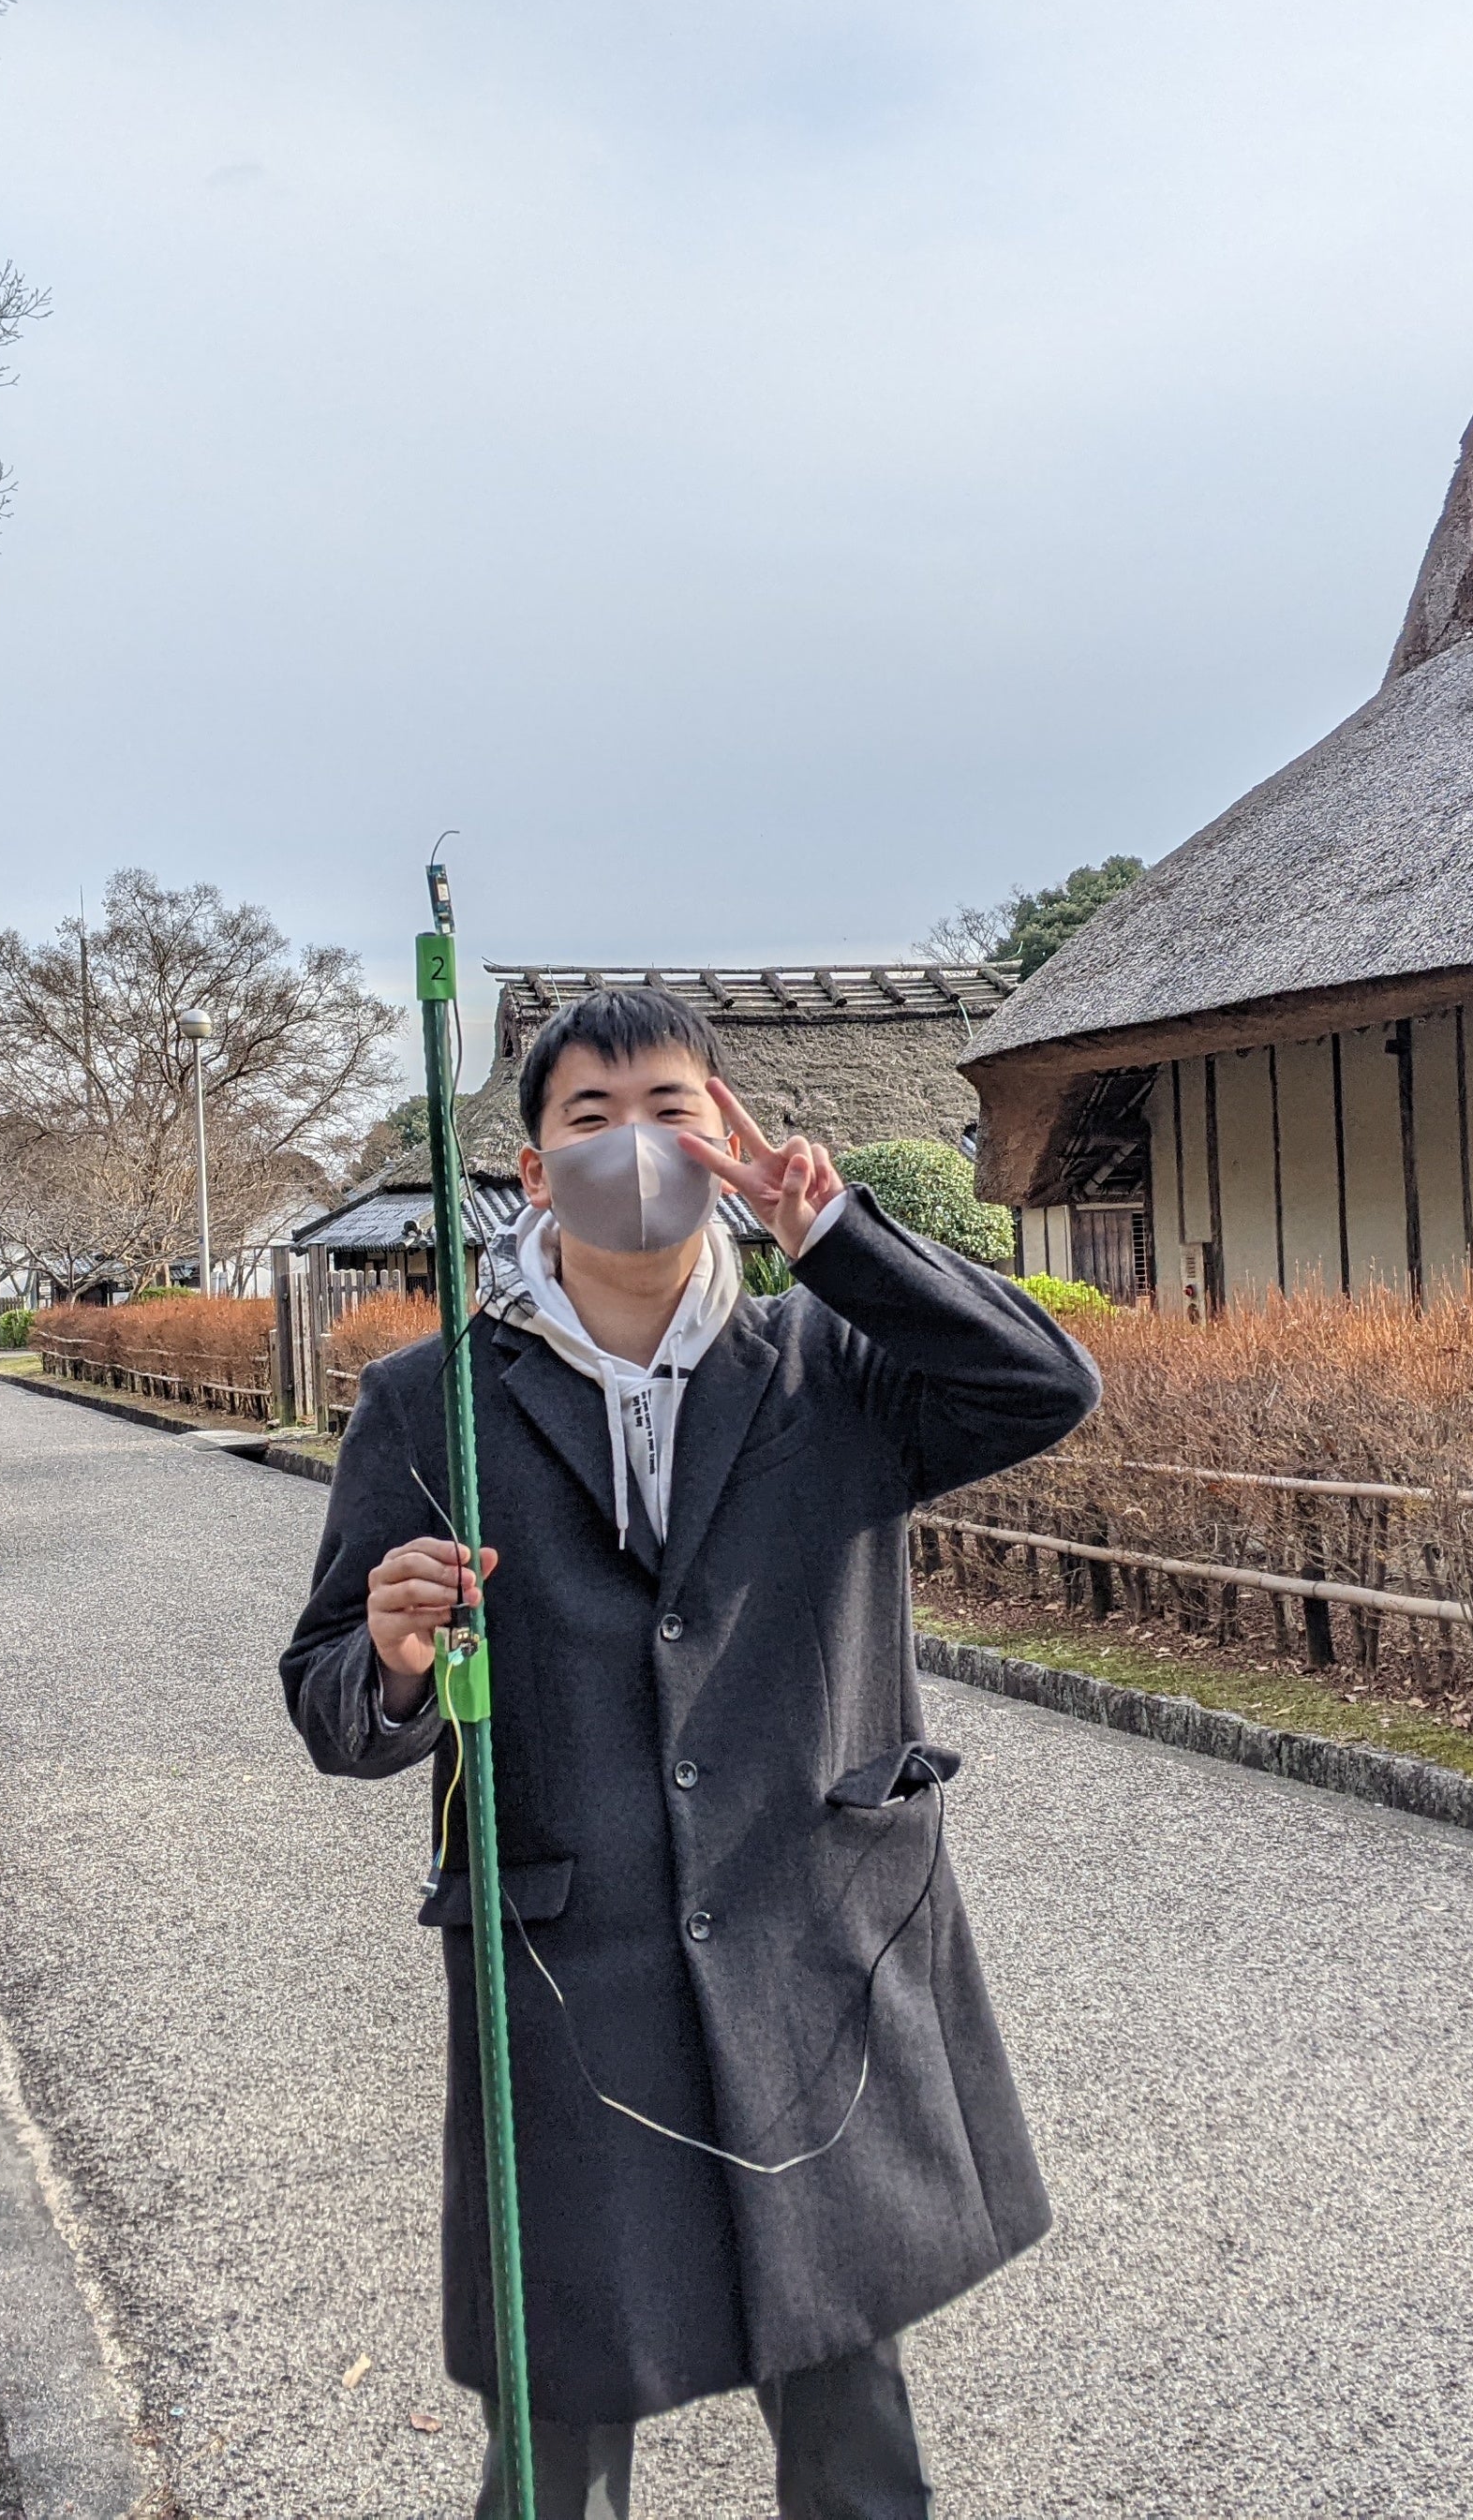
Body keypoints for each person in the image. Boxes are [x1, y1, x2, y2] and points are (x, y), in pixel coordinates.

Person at [280, 986, 1101, 2519]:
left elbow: (1045, 1385)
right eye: (591, 1118)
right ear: (534, 1171)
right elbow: (328, 1699)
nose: (636, 1145)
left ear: (727, 1132)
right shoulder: (431, 1404)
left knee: (852, 2421)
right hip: (566, 1979)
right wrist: (390, 1658)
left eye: (671, 1108)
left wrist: (834, 1236)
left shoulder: (831, 1361)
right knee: (558, 2439)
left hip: (816, 1948)